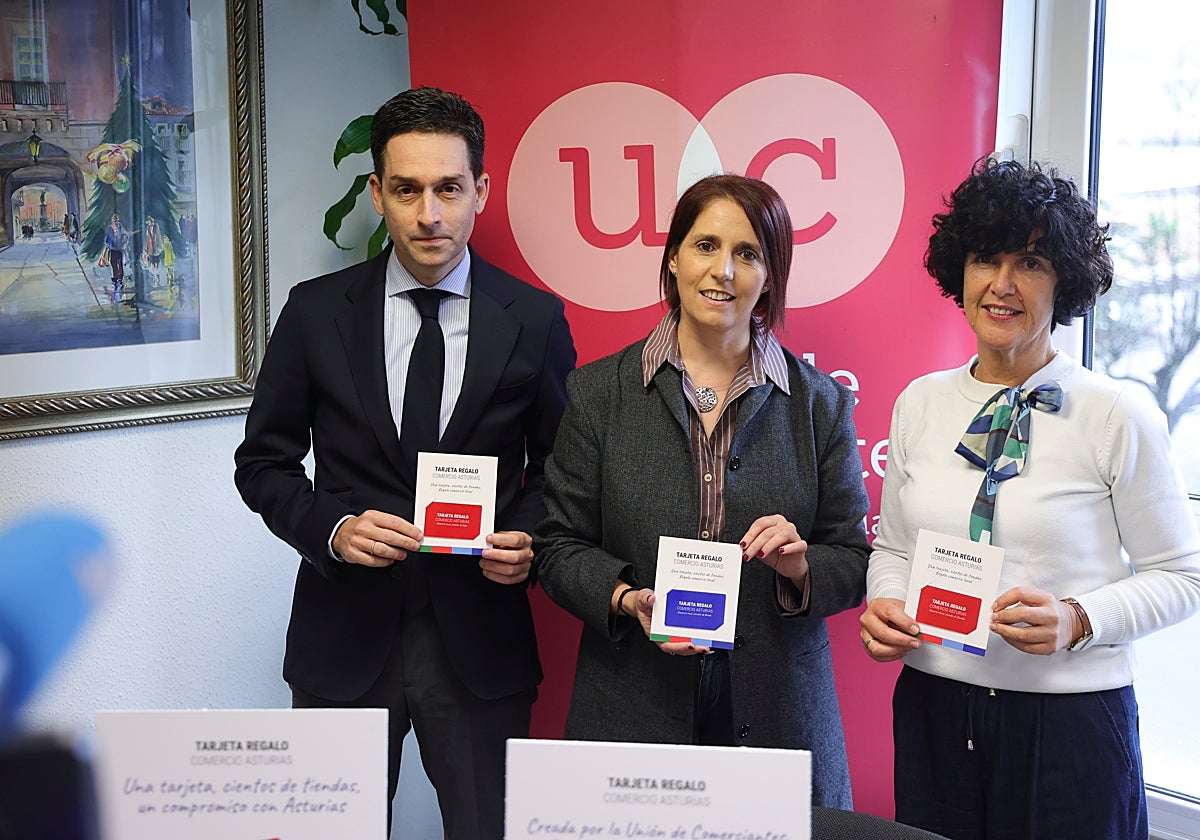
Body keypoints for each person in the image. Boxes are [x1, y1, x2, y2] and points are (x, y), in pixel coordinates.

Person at [234, 86, 576, 839]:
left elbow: (561, 470)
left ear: (480, 191)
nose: (430, 214)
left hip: (481, 644)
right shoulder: (314, 311)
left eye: (449, 189)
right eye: (407, 190)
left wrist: (525, 538)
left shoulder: (536, 320)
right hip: (343, 638)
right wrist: (332, 528)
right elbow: (263, 463)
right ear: (376, 193)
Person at [861, 157, 1200, 839]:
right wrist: (886, 604)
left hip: (1070, 726)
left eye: (1033, 264)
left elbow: (1183, 576)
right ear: (959, 271)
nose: (1003, 285)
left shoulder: (1116, 413)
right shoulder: (921, 403)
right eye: (986, 259)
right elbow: (895, 547)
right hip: (934, 708)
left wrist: (1078, 617)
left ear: (1064, 283)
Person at [535, 174, 870, 808]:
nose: (724, 270)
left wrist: (800, 568)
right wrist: (627, 598)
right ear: (673, 258)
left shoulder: (820, 405)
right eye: (706, 245)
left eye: (749, 253)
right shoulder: (598, 394)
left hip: (777, 712)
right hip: (633, 706)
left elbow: (853, 557)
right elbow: (557, 546)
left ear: (771, 275)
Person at [102, 213, 130, 295]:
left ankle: (116, 277)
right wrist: (124, 243)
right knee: (119, 263)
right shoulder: (121, 227)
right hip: (120, 248)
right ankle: (120, 278)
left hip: (113, 248)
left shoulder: (112, 227)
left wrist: (107, 244)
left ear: (113, 219)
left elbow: (109, 237)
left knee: (113, 263)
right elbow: (125, 235)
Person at [142, 215, 164, 286]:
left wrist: (159, 245)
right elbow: (147, 238)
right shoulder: (148, 228)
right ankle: (154, 274)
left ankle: (156, 273)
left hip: (156, 245)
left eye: (148, 221)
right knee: (151, 260)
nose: (148, 223)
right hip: (150, 246)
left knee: (156, 259)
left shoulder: (156, 226)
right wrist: (146, 247)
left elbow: (158, 236)